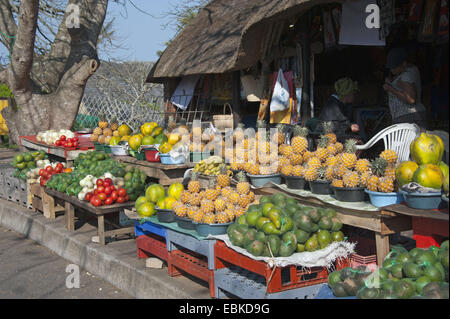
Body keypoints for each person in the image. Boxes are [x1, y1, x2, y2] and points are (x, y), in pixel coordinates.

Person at [383, 47, 428, 129]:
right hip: (411, 116)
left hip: (408, 117)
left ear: (404, 63)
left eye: (394, 67)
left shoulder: (406, 75)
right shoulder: (412, 70)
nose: (392, 70)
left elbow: (411, 99)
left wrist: (390, 89)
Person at [318, 77, 361, 142]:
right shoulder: (333, 106)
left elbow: (342, 121)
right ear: (347, 94)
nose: (354, 95)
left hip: (337, 134)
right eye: (353, 93)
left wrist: (350, 125)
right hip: (330, 138)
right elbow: (334, 128)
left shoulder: (341, 104)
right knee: (358, 141)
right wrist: (349, 127)